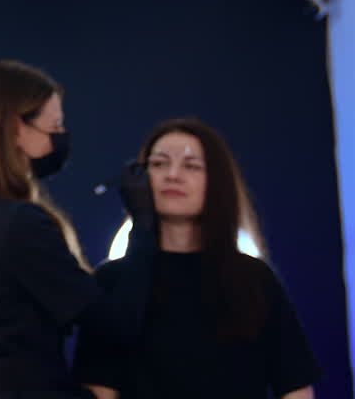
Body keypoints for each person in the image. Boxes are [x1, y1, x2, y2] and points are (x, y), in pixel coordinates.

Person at [74, 118, 322, 399]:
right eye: (159, 164)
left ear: (217, 181)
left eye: (191, 166)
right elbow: (99, 387)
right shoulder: (112, 279)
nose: (173, 175)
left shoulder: (252, 277)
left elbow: (295, 386)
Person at [0, 60, 100, 399]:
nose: (61, 137)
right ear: (17, 128)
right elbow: (96, 312)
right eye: (56, 126)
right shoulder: (20, 223)